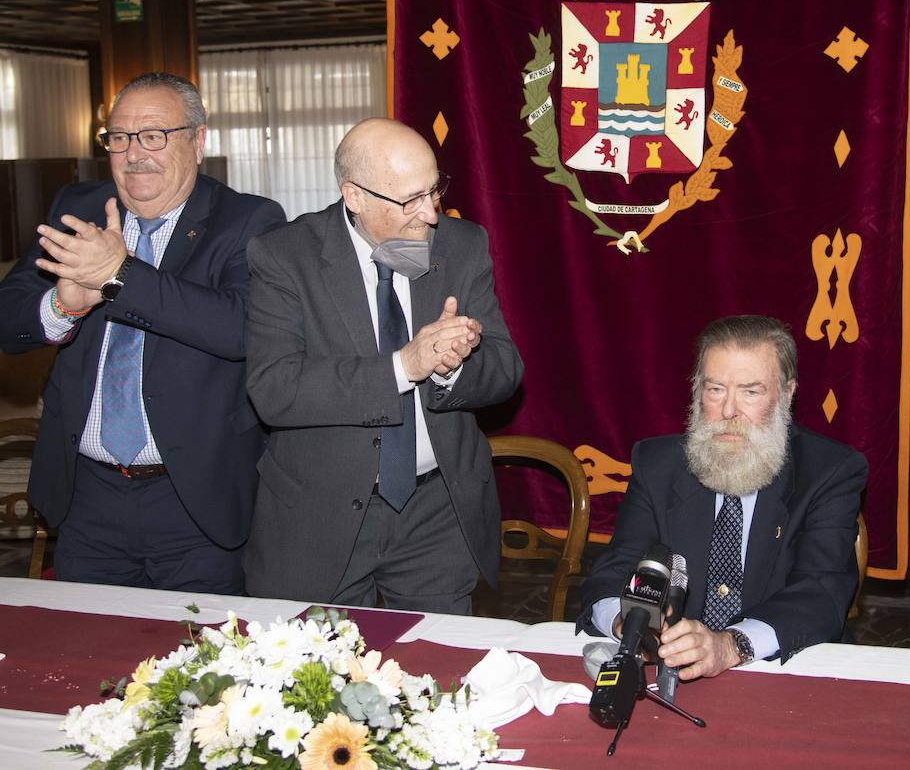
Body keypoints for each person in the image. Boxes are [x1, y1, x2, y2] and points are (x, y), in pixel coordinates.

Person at [0, 72, 285, 592]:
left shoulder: (248, 220)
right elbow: (8, 318)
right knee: (88, 662)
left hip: (196, 498)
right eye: (119, 138)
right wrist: (62, 306)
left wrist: (118, 276)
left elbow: (240, 330)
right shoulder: (79, 208)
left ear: (198, 140)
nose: (135, 155)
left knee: (203, 667)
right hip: (87, 498)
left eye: (154, 135)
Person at [243, 118, 522, 613]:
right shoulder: (286, 256)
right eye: (410, 200)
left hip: (437, 511)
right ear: (354, 196)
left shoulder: (461, 245)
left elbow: (505, 369)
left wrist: (453, 367)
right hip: (321, 513)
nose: (430, 215)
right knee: (319, 680)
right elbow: (275, 388)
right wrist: (404, 366)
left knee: (435, 671)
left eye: (434, 191)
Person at [576, 315, 867, 679]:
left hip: (786, 667)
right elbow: (616, 570)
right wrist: (627, 622)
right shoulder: (657, 464)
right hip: (670, 667)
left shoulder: (830, 471)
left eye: (750, 391)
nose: (729, 411)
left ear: (787, 393)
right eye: (715, 389)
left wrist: (730, 645)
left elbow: (822, 592)